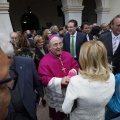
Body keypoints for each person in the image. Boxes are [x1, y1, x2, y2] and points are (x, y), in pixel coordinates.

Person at [62, 40, 115, 120]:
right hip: (99, 117)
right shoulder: (111, 77)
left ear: (83, 58)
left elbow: (66, 109)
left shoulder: (75, 81)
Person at [0, 40, 44, 120]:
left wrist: (41, 94)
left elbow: (36, 80)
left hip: (29, 108)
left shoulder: (27, 62)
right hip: (9, 113)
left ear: (9, 58)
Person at [38, 34, 79, 120]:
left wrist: (71, 74)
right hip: (56, 93)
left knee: (72, 110)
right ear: (49, 47)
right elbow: (43, 78)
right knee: (57, 115)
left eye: (60, 43)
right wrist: (60, 81)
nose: (59, 47)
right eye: (55, 44)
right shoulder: (44, 61)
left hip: (70, 89)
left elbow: (75, 66)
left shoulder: (67, 55)